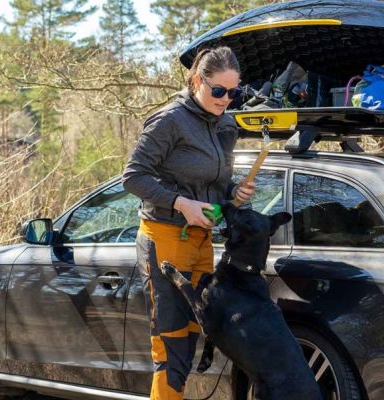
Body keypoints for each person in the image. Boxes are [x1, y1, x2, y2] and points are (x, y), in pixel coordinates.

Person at [121, 46, 255, 400]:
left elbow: (216, 185)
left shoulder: (225, 124)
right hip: (165, 237)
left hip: (203, 240)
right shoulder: (169, 120)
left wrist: (235, 194)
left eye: (233, 92)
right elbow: (133, 177)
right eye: (218, 91)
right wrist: (181, 203)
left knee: (192, 333)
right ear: (197, 81)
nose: (226, 99)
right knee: (171, 342)